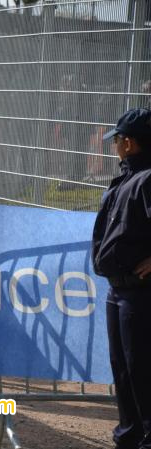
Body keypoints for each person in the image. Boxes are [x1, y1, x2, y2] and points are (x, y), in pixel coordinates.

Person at [92, 108, 151, 449]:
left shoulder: (148, 179)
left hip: (140, 294)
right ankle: (128, 436)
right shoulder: (130, 177)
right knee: (124, 371)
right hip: (118, 289)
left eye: (116, 140)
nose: (113, 146)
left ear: (128, 143)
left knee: (141, 372)